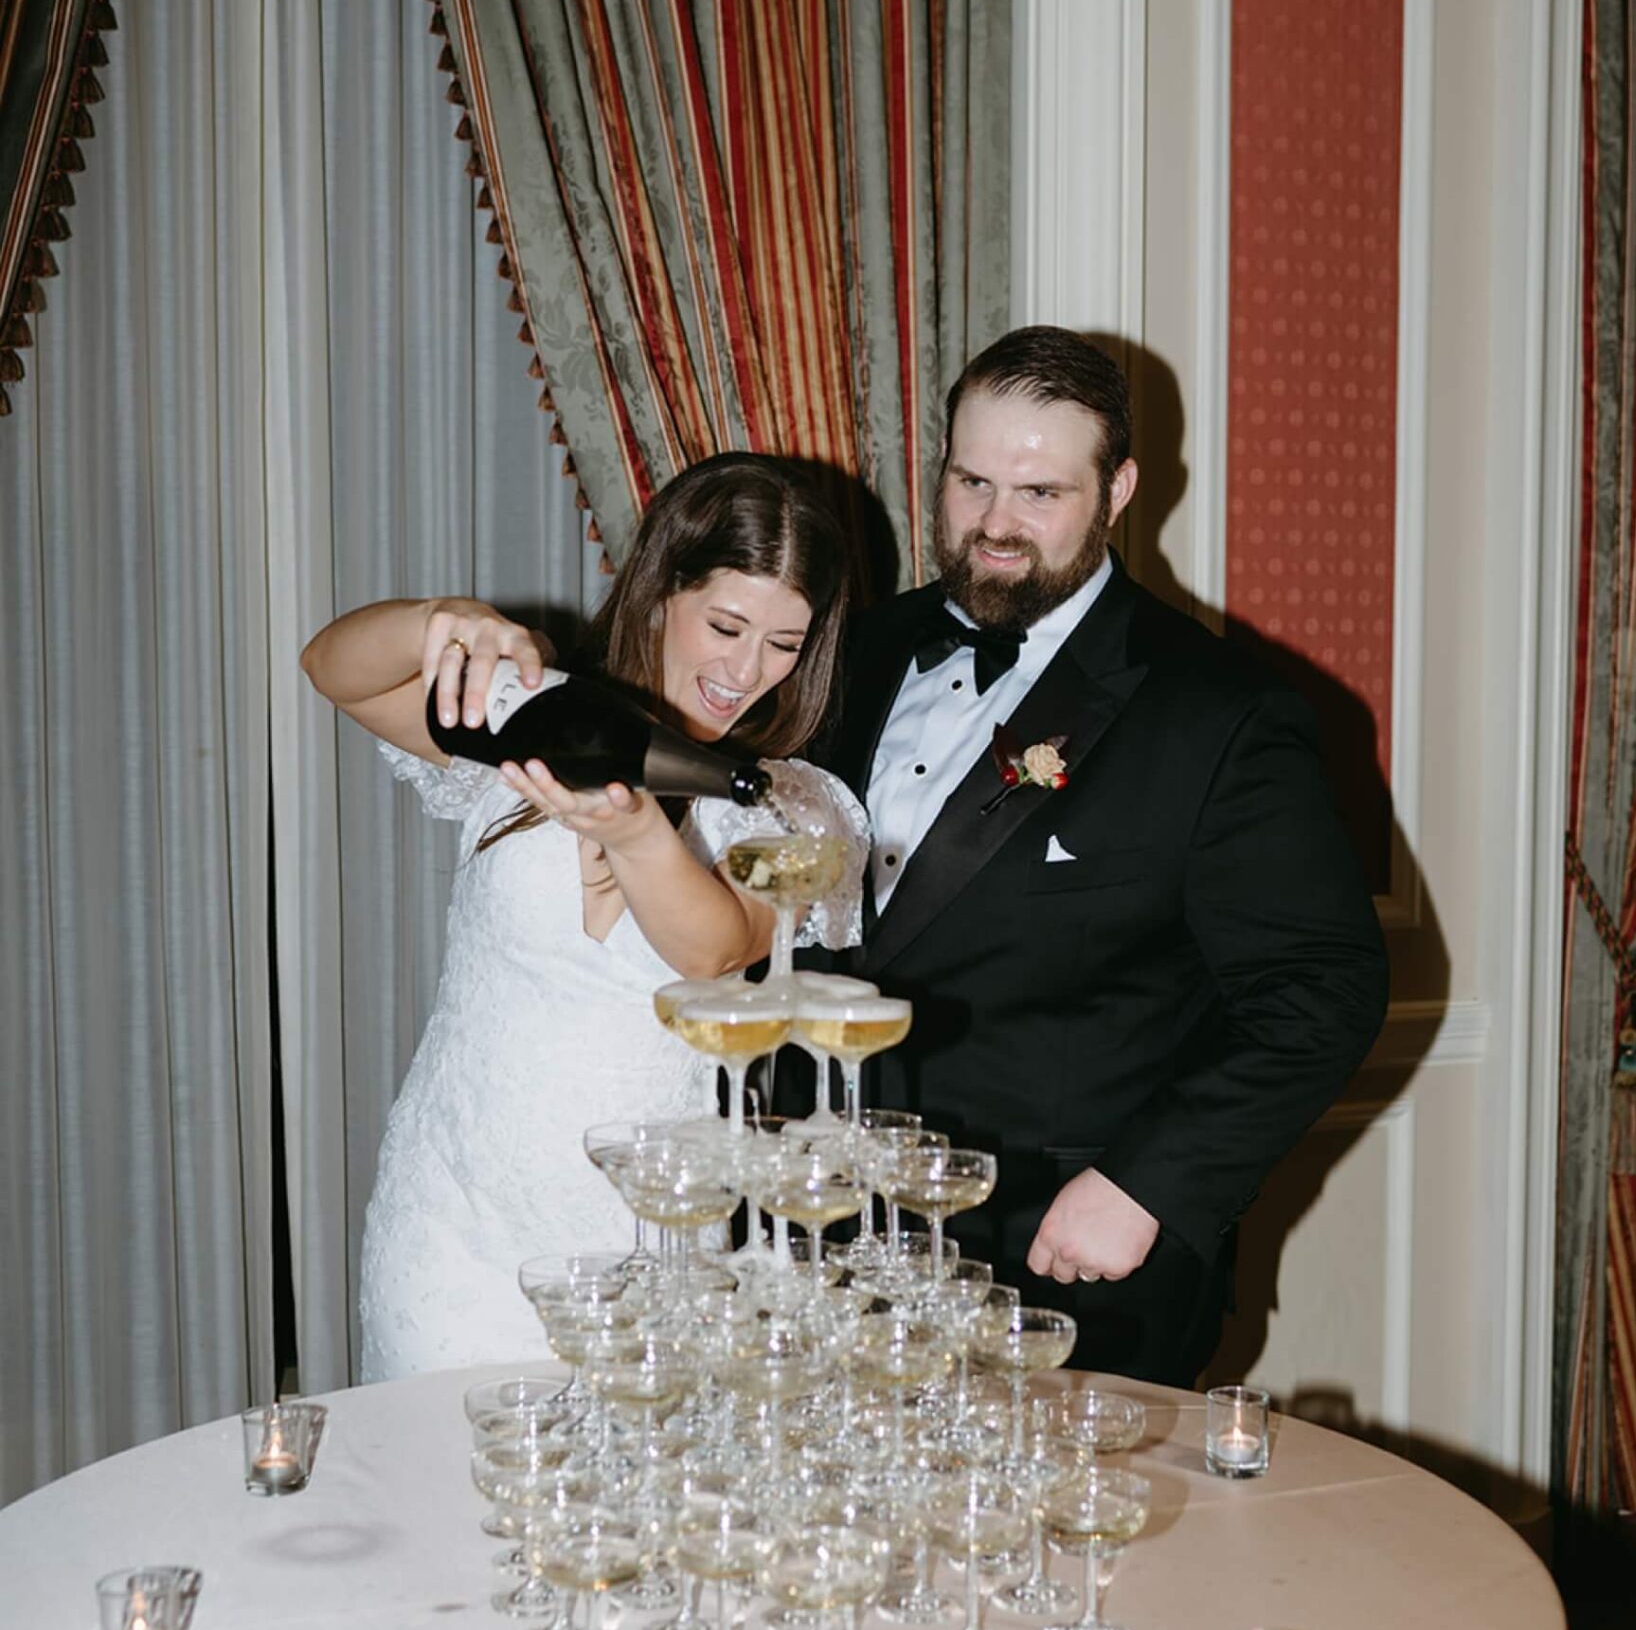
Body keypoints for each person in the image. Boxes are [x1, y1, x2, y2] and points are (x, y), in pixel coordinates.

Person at [822, 326, 1388, 1385]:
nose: (994, 525)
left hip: (1065, 1258)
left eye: (1039, 493)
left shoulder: (1224, 715)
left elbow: (1323, 990)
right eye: (971, 482)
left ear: (1118, 489)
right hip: (833, 1237)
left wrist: (1149, 1185)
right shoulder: (852, 652)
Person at [301, 455, 866, 1380]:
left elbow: (719, 952)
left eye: (782, 644)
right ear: (657, 594)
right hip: (454, 1235)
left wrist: (640, 833)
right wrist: (439, 622)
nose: (744, 670)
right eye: (725, 625)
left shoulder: (789, 804)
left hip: (654, 1247)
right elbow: (335, 670)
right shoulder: (536, 725)